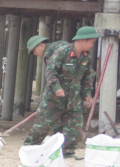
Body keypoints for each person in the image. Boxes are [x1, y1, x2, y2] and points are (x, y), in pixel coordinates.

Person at [24, 27, 98, 157]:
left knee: (74, 125)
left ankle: (67, 152)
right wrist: (57, 87)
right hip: (54, 98)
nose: (93, 45)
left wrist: (87, 94)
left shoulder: (86, 57)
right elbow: (50, 72)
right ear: (82, 40)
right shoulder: (61, 52)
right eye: (91, 42)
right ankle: (28, 149)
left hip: (73, 98)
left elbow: (87, 76)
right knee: (43, 125)